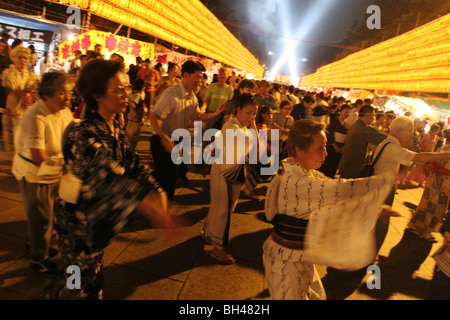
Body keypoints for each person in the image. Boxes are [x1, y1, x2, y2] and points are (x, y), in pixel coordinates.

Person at [46, 59, 177, 300]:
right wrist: (148, 204)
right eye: (119, 89)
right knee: (76, 279)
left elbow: (133, 163)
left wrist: (156, 190)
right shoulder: (81, 132)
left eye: (127, 88)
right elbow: (109, 174)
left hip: (94, 223)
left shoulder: (114, 126)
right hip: (76, 225)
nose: (127, 94)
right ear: (96, 93)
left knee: (89, 274)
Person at [262, 120, 395, 300]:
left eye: (325, 146)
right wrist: (388, 180)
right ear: (299, 150)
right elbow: (341, 189)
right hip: (286, 260)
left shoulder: (302, 172)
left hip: (298, 256)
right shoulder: (297, 181)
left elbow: (334, 194)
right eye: (320, 147)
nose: (325, 153)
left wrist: (376, 208)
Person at [12, 71, 74, 273]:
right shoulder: (35, 116)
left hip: (54, 169)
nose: (68, 97)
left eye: (70, 92)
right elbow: (38, 157)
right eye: (62, 93)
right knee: (41, 216)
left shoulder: (63, 111)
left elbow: (71, 133)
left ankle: (35, 242)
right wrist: (63, 174)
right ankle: (38, 257)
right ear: (47, 94)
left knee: (48, 214)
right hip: (34, 172)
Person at [149, 60, 224, 199]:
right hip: (162, 140)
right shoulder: (172, 94)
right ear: (185, 75)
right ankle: (159, 207)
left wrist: (215, 113)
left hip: (176, 141)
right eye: (196, 77)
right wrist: (163, 137)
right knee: (166, 179)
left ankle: (157, 201)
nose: (199, 81)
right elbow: (154, 116)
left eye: (201, 77)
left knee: (167, 176)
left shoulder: (192, 97)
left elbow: (198, 116)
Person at [202, 93, 258, 264]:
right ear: (238, 110)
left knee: (220, 209)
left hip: (227, 172)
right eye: (248, 113)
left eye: (254, 114)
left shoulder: (238, 126)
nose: (251, 117)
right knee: (223, 212)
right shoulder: (232, 127)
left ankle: (209, 234)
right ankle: (218, 249)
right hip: (225, 175)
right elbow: (253, 140)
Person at [406, 128, 450, 243]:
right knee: (437, 207)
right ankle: (427, 232)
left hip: (434, 179)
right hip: (444, 183)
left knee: (425, 204)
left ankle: (415, 226)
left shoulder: (444, 147)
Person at [2, 45, 41, 152]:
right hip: (11, 110)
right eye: (20, 57)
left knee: (23, 136)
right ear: (13, 58)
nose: (23, 60)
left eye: (25, 58)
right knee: (12, 136)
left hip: (26, 110)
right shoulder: (8, 75)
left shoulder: (31, 76)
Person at [338, 105, 387, 178]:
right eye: (373, 116)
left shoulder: (356, 125)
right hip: (352, 166)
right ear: (367, 115)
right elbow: (381, 138)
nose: (373, 119)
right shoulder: (363, 128)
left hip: (347, 163)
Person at [318, 104, 350, 178]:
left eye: (348, 112)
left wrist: (343, 147)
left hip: (340, 149)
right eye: (345, 112)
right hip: (332, 147)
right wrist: (334, 145)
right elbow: (329, 134)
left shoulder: (347, 124)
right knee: (327, 166)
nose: (347, 114)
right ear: (340, 112)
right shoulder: (334, 121)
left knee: (334, 167)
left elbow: (347, 137)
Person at [125, 78, 145, 150]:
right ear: (142, 88)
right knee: (131, 138)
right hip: (134, 120)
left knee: (133, 138)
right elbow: (132, 103)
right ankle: (130, 152)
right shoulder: (137, 95)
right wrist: (134, 111)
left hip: (134, 120)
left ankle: (131, 152)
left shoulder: (132, 94)